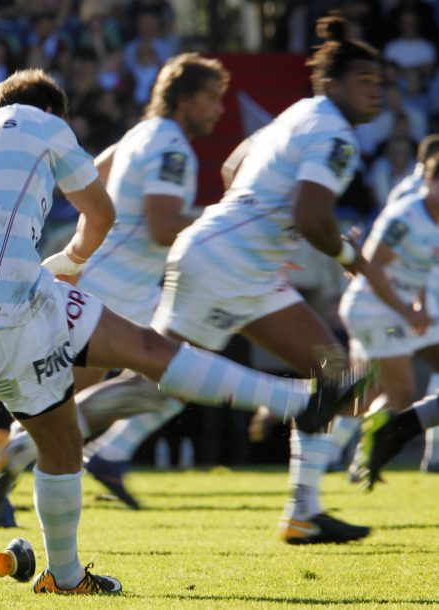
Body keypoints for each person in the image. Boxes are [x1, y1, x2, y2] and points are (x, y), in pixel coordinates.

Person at [0, 68, 371, 595]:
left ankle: (302, 401)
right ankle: (65, 578)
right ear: (51, 112)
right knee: (66, 441)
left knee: (147, 351)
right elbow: (102, 212)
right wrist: (72, 259)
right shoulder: (46, 124)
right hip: (17, 313)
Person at [150, 14, 382, 544]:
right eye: (365, 83)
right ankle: (23, 451)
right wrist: (348, 253)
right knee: (151, 381)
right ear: (332, 83)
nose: (376, 93)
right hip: (227, 262)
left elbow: (233, 167)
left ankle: (304, 513)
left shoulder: (301, 113)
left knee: (333, 371)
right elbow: (309, 217)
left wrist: (256, 228)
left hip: (240, 263)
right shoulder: (335, 133)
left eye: (380, 84)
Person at [0, 52, 229, 517]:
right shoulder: (171, 147)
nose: (218, 109)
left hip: (106, 285)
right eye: (210, 98)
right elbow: (163, 225)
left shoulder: (138, 136)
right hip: (119, 293)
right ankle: (49, 457)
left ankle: (30, 460)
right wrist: (228, 218)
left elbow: (90, 179)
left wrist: (77, 253)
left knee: (71, 403)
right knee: (180, 375)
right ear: (184, 100)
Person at [355, 155, 439, 490]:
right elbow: (372, 264)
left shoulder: (433, 220)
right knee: (395, 391)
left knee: (392, 394)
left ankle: (388, 434)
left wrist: (416, 305)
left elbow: (418, 265)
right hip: (376, 313)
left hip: (402, 312)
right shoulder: (406, 213)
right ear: (429, 181)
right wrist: (408, 311)